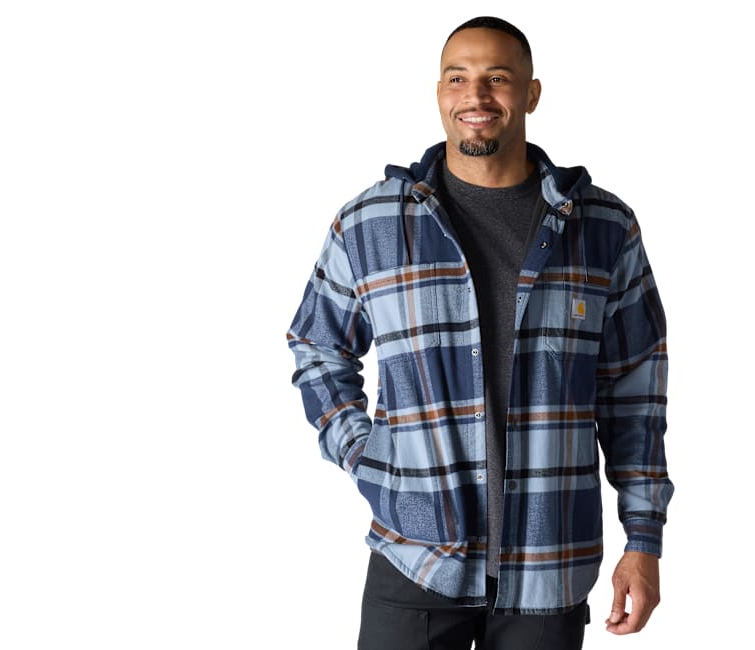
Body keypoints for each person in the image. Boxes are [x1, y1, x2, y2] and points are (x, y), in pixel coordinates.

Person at [287, 16, 673, 649]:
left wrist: (643, 538)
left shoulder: (603, 228)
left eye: (497, 78)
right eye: (457, 78)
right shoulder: (371, 223)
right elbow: (316, 346)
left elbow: (636, 393)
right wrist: (367, 455)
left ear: (531, 93)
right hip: (414, 554)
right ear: (439, 92)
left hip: (550, 562)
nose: (476, 96)